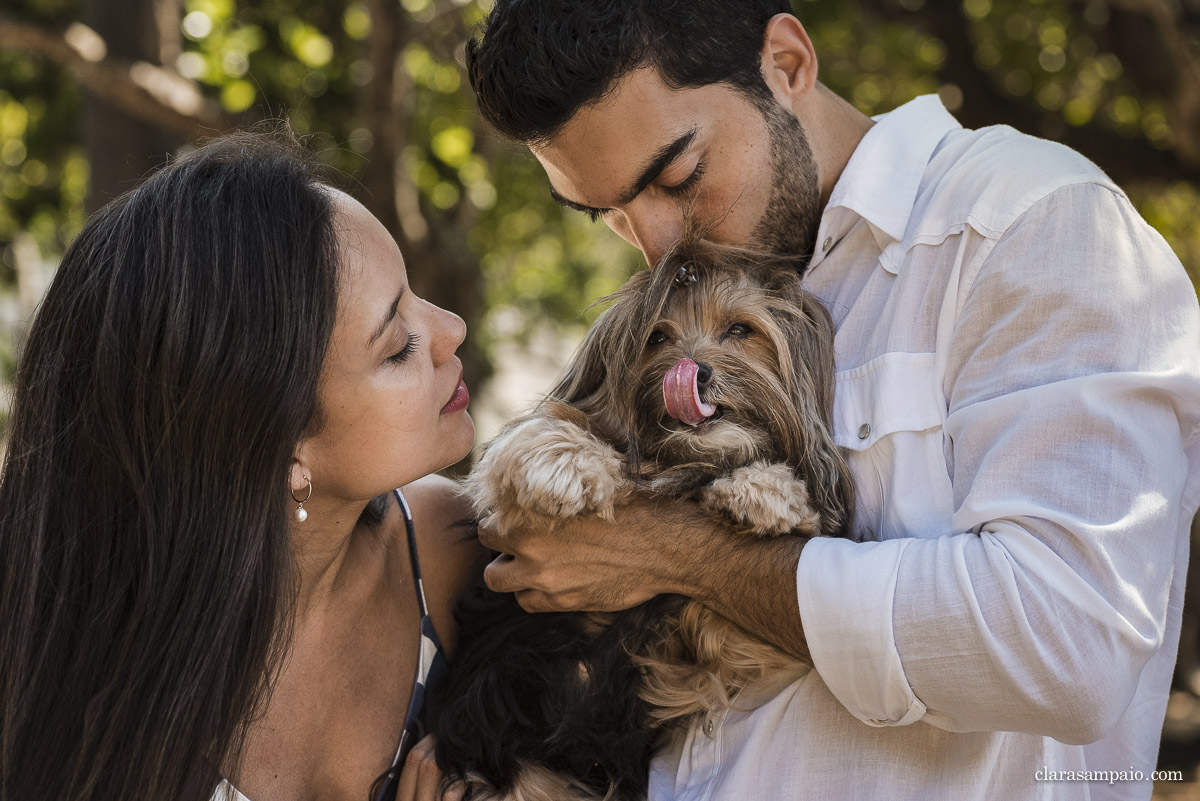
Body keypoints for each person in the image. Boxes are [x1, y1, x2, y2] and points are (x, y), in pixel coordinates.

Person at [464, 2, 1200, 799]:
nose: (658, 248)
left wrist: (675, 551)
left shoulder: (1025, 225)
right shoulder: (684, 309)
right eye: (607, 214)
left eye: (678, 177)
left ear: (786, 63)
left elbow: (1065, 644)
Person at [0, 131, 483, 801]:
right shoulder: (85, 702)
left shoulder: (454, 549)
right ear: (283, 450)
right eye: (399, 344)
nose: (451, 329)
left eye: (415, 296)